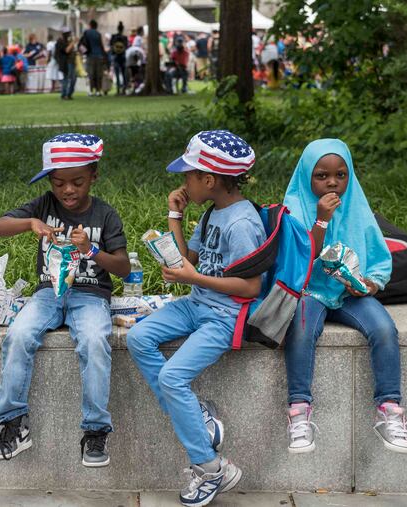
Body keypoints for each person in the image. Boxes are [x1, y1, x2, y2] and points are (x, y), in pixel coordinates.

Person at [126, 130, 266, 506]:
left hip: (223, 316)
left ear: (209, 180)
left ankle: (210, 467)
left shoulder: (242, 223)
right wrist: (176, 215)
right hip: (196, 302)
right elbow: (189, 257)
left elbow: (251, 287)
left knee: (173, 377)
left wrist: (194, 278)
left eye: (188, 174)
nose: (184, 181)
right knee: (138, 338)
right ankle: (197, 415)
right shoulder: (213, 212)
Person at [0, 133, 130, 467]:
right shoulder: (42, 206)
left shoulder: (105, 215)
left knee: (95, 340)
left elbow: (123, 267)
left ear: (93, 176)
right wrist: (30, 223)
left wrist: (91, 250)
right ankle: (13, 422)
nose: (68, 190)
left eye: (78, 181)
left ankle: (95, 431)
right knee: (19, 335)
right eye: (59, 182)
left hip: (90, 296)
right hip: (47, 295)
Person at [282, 139, 407, 455]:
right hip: (310, 291)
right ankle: (299, 412)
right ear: (306, 176)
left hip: (350, 293)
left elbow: (380, 258)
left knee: (383, 328)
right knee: (300, 330)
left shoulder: (357, 205)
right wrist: (321, 219)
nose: (332, 183)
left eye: (340, 175)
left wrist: (370, 284)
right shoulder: (294, 205)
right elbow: (298, 257)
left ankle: (389, 410)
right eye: (321, 176)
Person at [79, 20, 106, 97]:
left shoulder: (87, 32)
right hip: (99, 56)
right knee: (98, 74)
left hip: (90, 56)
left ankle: (91, 91)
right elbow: (101, 45)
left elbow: (82, 43)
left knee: (91, 74)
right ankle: (98, 90)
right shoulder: (98, 34)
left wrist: (84, 52)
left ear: (90, 25)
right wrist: (104, 56)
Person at [55, 27, 76, 100]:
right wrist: (73, 42)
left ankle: (69, 94)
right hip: (65, 63)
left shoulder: (67, 41)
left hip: (71, 62)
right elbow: (66, 50)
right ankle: (64, 94)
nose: (69, 35)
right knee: (66, 79)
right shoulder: (60, 42)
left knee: (73, 79)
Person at [110, 22, 129, 95]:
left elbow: (111, 45)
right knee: (124, 74)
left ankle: (118, 90)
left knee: (117, 73)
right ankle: (124, 89)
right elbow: (126, 46)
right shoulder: (124, 37)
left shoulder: (113, 36)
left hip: (115, 56)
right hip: (122, 56)